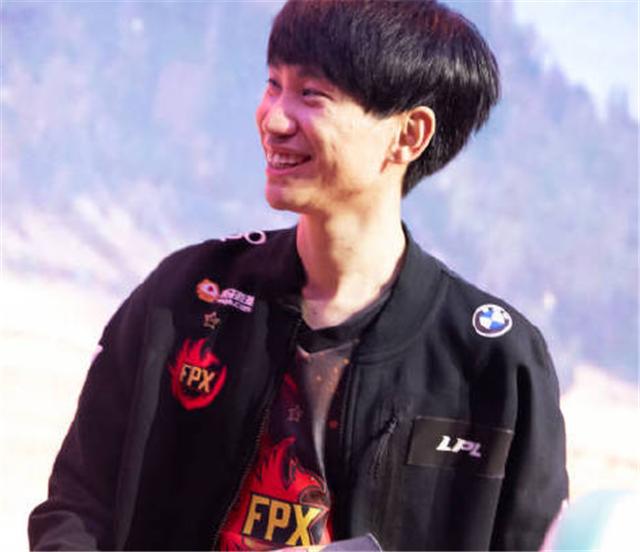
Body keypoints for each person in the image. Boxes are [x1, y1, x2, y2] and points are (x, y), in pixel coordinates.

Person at [28, 1, 568, 550]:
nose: (274, 119)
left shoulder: (494, 363)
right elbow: (77, 506)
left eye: (311, 95)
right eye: (273, 85)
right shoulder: (188, 295)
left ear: (409, 135)